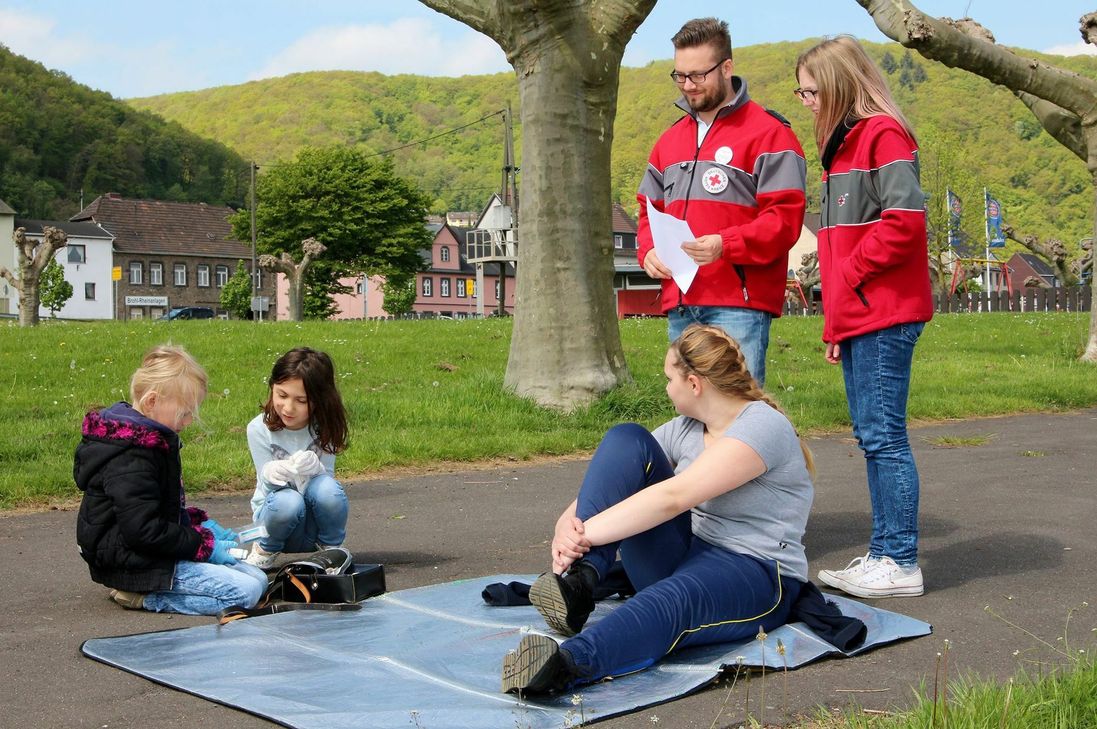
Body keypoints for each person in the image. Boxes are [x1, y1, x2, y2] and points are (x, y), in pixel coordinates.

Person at [500, 325, 815, 694]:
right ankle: (580, 584)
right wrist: (567, 524)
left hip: (757, 571)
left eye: (669, 379)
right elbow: (619, 477)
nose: (666, 388)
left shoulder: (762, 426)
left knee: (672, 600)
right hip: (688, 552)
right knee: (628, 437)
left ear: (694, 383)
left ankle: (564, 666)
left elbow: (673, 497)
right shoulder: (687, 427)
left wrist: (586, 534)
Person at [794, 36, 933, 598]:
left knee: (884, 438)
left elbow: (904, 223)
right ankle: (883, 554)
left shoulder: (883, 135)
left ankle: (899, 561)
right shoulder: (842, 148)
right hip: (861, 316)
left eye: (810, 90)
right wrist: (836, 325)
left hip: (886, 312)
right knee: (872, 436)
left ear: (837, 86)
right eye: (799, 91)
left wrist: (847, 280)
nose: (805, 100)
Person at [636, 17, 807, 386]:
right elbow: (647, 210)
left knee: (738, 417)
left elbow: (785, 220)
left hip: (738, 304)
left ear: (727, 67)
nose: (687, 86)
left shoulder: (771, 134)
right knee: (689, 416)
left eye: (697, 75)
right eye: (679, 76)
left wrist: (725, 244)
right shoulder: (668, 141)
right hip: (680, 301)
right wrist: (648, 250)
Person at [74, 345, 268, 615]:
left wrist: (197, 524)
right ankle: (141, 597)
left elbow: (153, 508)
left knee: (259, 579)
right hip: (131, 563)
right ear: (152, 402)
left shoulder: (150, 441)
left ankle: (150, 588)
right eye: (185, 412)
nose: (188, 421)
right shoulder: (131, 457)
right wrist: (203, 546)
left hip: (147, 551)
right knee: (244, 593)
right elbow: (143, 530)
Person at [245, 347, 349, 569]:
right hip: (276, 521)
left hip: (313, 526)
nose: (288, 408)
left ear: (320, 400)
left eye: (301, 401)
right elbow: (265, 488)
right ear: (272, 387)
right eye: (281, 395)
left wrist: (317, 468)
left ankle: (332, 550)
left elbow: (327, 485)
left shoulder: (325, 426)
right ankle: (264, 549)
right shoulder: (258, 428)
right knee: (288, 501)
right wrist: (270, 473)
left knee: (328, 490)